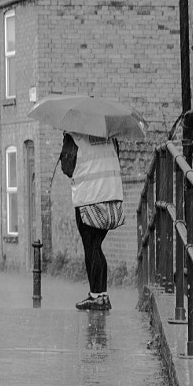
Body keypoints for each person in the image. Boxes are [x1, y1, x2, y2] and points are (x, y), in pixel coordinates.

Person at [59, 131, 126, 310]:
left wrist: (64, 147)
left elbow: (67, 167)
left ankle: (96, 296)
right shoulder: (110, 136)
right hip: (111, 195)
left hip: (89, 199)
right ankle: (102, 295)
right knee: (96, 245)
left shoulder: (75, 136)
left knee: (91, 246)